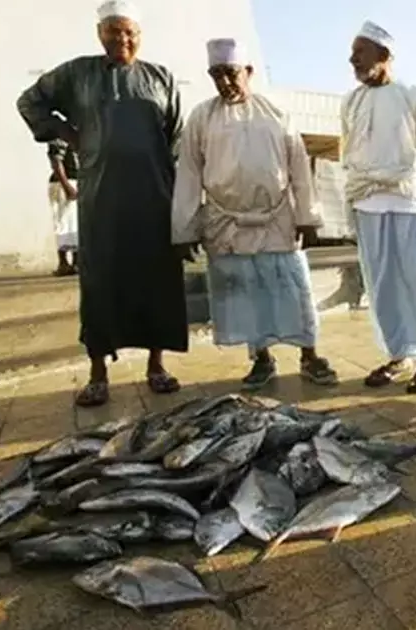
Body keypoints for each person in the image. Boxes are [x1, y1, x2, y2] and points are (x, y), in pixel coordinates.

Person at [17, 0, 188, 407]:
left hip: (154, 198)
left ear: (140, 36)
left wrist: (181, 203)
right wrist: (68, 135)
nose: (123, 40)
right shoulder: (77, 73)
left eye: (131, 32)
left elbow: (177, 141)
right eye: (115, 32)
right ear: (101, 34)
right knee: (100, 282)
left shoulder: (160, 77)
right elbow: (29, 101)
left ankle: (156, 365)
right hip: (101, 199)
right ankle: (98, 373)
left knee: (157, 279)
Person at [172, 38, 338, 391]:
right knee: (246, 293)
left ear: (248, 71)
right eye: (216, 75)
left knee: (293, 288)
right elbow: (188, 174)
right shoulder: (201, 117)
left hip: (276, 218)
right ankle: (261, 358)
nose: (224, 82)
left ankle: (309, 356)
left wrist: (307, 217)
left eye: (231, 73)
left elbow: (298, 168)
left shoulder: (277, 112)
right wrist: (184, 230)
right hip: (225, 221)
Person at [342, 20, 416, 394]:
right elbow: (348, 154)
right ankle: (399, 353)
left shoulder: (413, 94)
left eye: (360, 53)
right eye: (353, 53)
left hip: (405, 200)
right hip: (367, 204)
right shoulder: (350, 101)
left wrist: (404, 180)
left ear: (384, 56)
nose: (352, 60)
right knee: (382, 284)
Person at [47, 139, 79, 276]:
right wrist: (66, 186)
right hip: (64, 184)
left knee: (76, 224)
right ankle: (63, 263)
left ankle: (76, 263)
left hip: (76, 182)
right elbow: (56, 161)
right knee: (63, 224)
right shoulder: (59, 134)